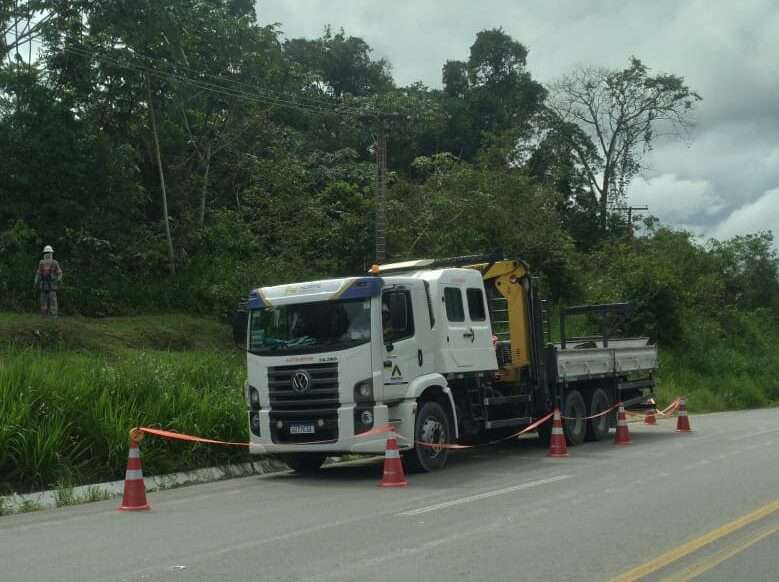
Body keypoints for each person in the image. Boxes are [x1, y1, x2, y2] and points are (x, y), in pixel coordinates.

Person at [34, 245, 63, 316]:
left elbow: (59, 272)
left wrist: (59, 279)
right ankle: (44, 314)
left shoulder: (55, 263)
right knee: (43, 300)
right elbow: (39, 273)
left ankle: (54, 315)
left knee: (52, 300)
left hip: (52, 284)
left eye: (48, 253)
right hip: (43, 284)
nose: (47, 254)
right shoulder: (41, 263)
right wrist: (36, 281)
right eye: (46, 253)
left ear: (51, 253)